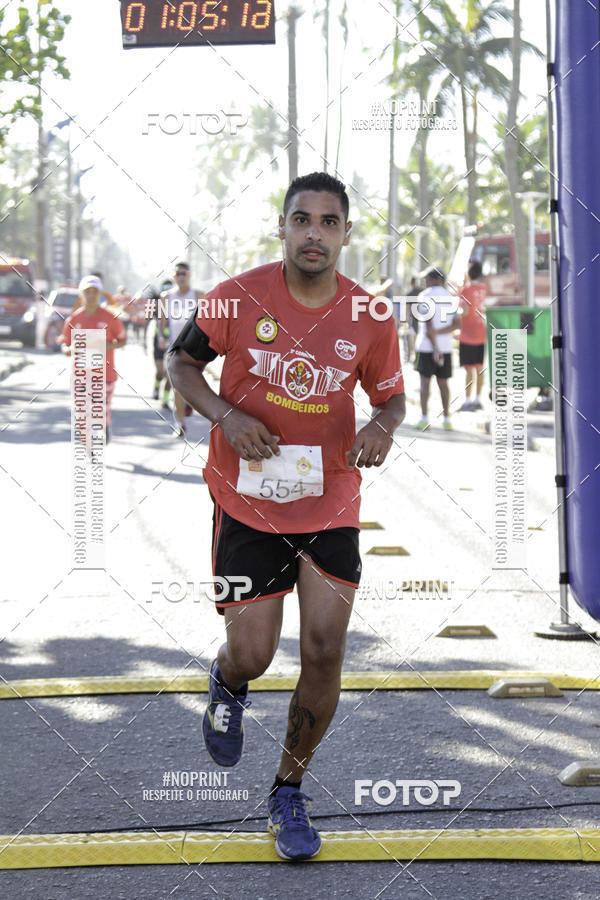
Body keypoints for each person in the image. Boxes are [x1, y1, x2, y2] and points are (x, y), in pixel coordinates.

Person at [168, 172, 405, 861]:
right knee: (254, 652)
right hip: (246, 499)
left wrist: (383, 427)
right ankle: (228, 681)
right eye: (302, 219)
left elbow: (391, 400)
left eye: (329, 222)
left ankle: (288, 793)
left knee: (326, 648)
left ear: (346, 235)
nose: (314, 233)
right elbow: (181, 363)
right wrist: (227, 415)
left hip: (330, 498)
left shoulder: (371, 316)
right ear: (282, 226)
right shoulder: (237, 297)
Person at [62, 275, 127, 442]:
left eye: (94, 292)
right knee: (81, 411)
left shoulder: (110, 318)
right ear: (82, 294)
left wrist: (108, 346)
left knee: (100, 411)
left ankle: (105, 425)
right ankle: (87, 443)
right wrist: (69, 349)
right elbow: (65, 344)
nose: (91, 295)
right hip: (80, 374)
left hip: (105, 374)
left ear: (100, 294)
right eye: (87, 292)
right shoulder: (74, 319)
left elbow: (122, 340)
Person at [413, 266, 460, 431]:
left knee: (425, 383)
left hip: (427, 348)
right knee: (443, 384)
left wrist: (434, 348)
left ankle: (424, 418)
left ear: (435, 279)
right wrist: (440, 339)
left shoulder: (425, 296)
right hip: (446, 347)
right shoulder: (451, 297)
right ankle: (447, 419)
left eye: (427, 278)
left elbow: (428, 324)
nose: (425, 282)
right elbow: (457, 324)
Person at [158, 263, 201, 436]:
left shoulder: (199, 295)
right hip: (176, 347)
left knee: (193, 384)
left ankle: (188, 402)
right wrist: (162, 337)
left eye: (184, 273)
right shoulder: (166, 297)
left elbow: (209, 319)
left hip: (196, 347)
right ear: (174, 276)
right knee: (177, 385)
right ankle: (180, 423)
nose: (181, 276)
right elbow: (162, 323)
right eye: (178, 273)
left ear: (189, 275)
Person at [457, 261, 488, 411]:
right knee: (479, 367)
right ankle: (478, 399)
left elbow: (465, 311)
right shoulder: (483, 288)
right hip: (481, 331)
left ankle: (467, 401)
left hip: (467, 333)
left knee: (469, 369)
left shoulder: (466, 290)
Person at [152, 278, 174, 406]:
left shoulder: (180, 304)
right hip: (159, 341)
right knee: (160, 371)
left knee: (170, 374)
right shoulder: (157, 304)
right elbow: (150, 322)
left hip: (173, 342)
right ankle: (156, 387)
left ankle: (165, 400)